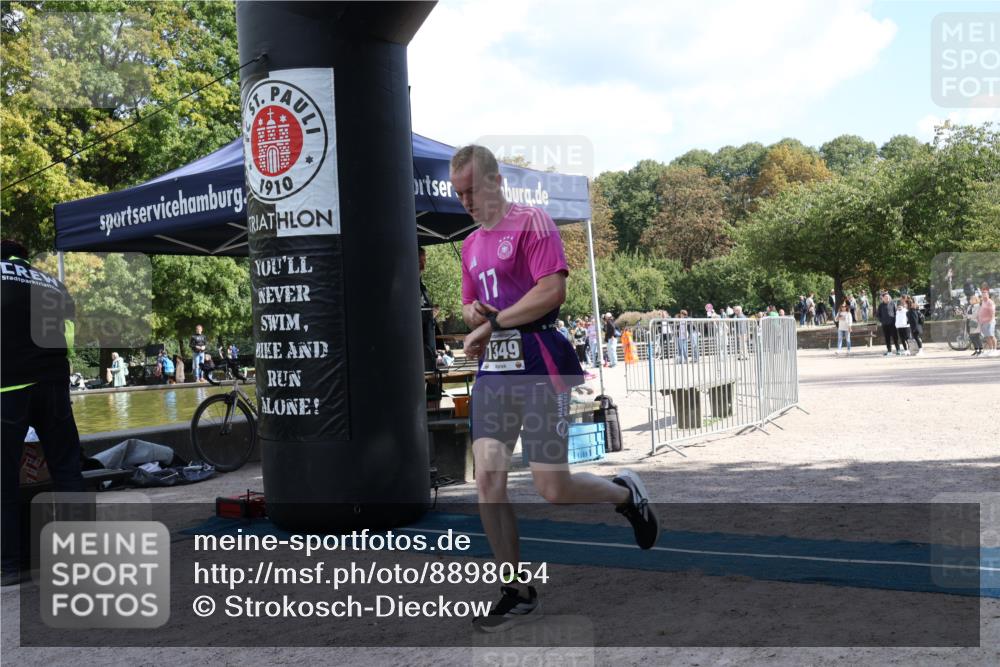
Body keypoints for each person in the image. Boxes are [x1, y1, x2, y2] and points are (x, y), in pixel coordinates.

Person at [451, 145, 658, 632]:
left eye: (472, 191)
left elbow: (552, 290)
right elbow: (465, 306)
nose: (466, 202)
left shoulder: (533, 222)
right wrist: (475, 318)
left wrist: (495, 321)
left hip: (540, 361)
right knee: (488, 481)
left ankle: (625, 495)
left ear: (496, 181)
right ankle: (516, 589)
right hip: (495, 375)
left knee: (551, 486)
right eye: (459, 194)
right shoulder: (469, 245)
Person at [1, 238, 85, 586]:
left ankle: (9, 565)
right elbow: (67, 339)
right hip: (53, 386)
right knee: (68, 471)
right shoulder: (52, 282)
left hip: (7, 389)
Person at [419, 247, 443, 409]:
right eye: (422, 259)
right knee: (429, 376)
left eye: (424, 259)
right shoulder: (408, 283)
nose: (424, 263)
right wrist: (430, 314)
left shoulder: (421, 285)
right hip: (419, 342)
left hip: (429, 339)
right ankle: (430, 413)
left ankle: (434, 410)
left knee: (435, 376)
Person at [978, 283, 997, 357]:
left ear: (988, 294)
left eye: (985, 294)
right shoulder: (983, 302)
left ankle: (995, 350)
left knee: (991, 335)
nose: (983, 295)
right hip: (983, 322)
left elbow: (992, 312)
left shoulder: (990, 302)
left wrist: (990, 321)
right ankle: (991, 349)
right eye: (983, 294)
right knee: (987, 336)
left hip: (989, 322)